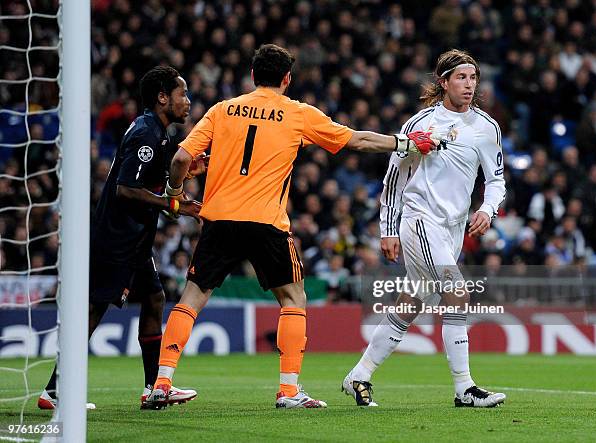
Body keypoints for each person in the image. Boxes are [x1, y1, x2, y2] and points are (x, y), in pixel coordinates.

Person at [142, 44, 438, 410]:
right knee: (293, 298)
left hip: (218, 219)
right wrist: (406, 143)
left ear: (253, 76)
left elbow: (183, 157)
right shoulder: (297, 113)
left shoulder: (222, 110)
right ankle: (289, 390)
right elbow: (357, 140)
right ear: (287, 79)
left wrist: (174, 195)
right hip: (266, 221)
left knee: (192, 298)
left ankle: (162, 382)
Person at [342, 49, 507, 408]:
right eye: (461, 77)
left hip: (452, 229)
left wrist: (488, 208)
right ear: (443, 82)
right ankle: (464, 387)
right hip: (419, 220)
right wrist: (387, 228)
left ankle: (360, 374)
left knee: (412, 301)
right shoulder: (420, 124)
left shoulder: (486, 127)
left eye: (473, 78)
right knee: (457, 290)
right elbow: (394, 178)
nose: (469, 84)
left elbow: (496, 180)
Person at [38, 66, 204, 410]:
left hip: (135, 239)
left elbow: (149, 176)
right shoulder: (146, 133)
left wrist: (188, 170)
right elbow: (126, 189)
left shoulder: (155, 132)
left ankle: (152, 388)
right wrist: (172, 205)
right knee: (95, 309)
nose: (187, 101)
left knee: (155, 298)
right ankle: (54, 392)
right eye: (181, 94)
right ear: (162, 98)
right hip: (118, 238)